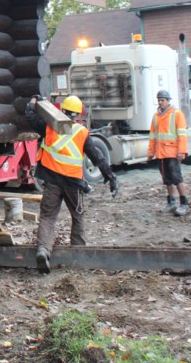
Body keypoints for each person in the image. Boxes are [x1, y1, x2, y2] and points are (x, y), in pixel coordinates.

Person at [26, 95, 117, 274]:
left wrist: (33, 103)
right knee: (77, 216)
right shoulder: (82, 133)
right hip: (73, 184)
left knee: (48, 217)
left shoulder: (50, 128)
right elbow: (97, 157)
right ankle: (78, 253)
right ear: (78, 115)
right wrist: (111, 176)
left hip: (52, 181)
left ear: (62, 110)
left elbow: (30, 116)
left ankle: (43, 250)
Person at [148, 90, 190, 216]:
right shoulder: (156, 116)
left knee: (177, 178)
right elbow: (153, 136)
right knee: (167, 180)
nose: (160, 102)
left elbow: (182, 134)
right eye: (159, 100)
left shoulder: (177, 114)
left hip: (172, 153)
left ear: (168, 100)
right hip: (161, 154)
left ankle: (184, 203)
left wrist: (182, 151)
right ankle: (171, 202)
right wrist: (151, 152)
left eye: (162, 100)